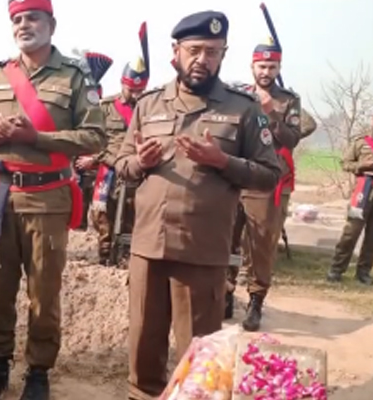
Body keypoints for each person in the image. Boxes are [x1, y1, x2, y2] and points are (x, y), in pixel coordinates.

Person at [114, 11, 282, 400]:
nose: (202, 59)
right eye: (194, 50)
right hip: (148, 248)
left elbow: (270, 174)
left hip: (202, 251)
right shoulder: (149, 104)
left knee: (200, 357)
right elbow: (122, 165)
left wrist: (223, 162)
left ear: (223, 55)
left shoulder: (244, 110)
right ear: (176, 52)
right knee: (143, 349)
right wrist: (141, 162)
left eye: (212, 51)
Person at [0, 1, 106, 399]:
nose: (25, 25)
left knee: (43, 294)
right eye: (18, 19)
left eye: (33, 18)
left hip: (47, 199)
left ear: (51, 24)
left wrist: (37, 139)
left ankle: (39, 372)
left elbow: (95, 136)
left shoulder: (75, 76)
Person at [224, 38, 317, 331]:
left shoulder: (289, 100)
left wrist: (270, 111)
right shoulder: (238, 95)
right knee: (226, 236)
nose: (266, 71)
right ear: (252, 66)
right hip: (235, 174)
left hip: (265, 180)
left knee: (260, 243)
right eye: (261, 66)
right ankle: (225, 293)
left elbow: (291, 138)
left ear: (279, 68)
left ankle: (255, 301)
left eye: (272, 66)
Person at [88, 23, 150, 266]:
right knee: (103, 220)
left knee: (132, 224)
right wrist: (111, 160)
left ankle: (126, 262)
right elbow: (94, 138)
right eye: (130, 88)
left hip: (136, 176)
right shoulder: (105, 108)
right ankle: (105, 260)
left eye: (139, 90)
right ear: (122, 83)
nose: (134, 94)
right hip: (108, 173)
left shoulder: (149, 109)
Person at [327, 103, 373, 285]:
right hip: (363, 192)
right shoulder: (362, 142)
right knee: (351, 233)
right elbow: (345, 164)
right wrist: (363, 166)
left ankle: (363, 273)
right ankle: (336, 270)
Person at [73, 52, 113, 231]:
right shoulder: (73, 111)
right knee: (75, 217)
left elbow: (110, 142)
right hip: (77, 171)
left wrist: (96, 159)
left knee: (101, 219)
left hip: (102, 172)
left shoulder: (108, 113)